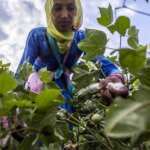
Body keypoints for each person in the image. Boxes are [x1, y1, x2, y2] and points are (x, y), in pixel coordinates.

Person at [15, 0, 128, 121]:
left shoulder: (82, 37)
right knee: (40, 126)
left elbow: (105, 64)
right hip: (39, 89)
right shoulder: (37, 36)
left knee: (65, 128)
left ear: (77, 11)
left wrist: (116, 78)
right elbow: (21, 73)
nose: (64, 15)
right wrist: (14, 104)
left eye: (71, 8)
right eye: (57, 8)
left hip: (65, 91)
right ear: (49, 11)